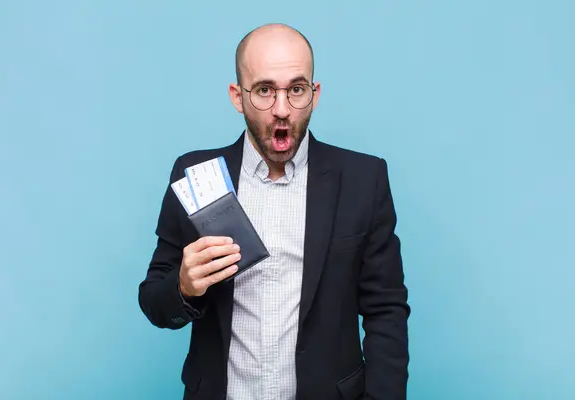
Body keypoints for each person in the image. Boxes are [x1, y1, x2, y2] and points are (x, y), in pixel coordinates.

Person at [138, 23, 410, 400]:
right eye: (264, 90)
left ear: (314, 95)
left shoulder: (364, 180)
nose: (282, 110)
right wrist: (184, 286)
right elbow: (154, 300)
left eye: (296, 90)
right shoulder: (195, 176)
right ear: (238, 96)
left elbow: (387, 310)